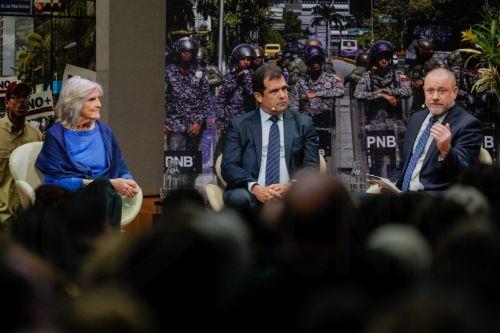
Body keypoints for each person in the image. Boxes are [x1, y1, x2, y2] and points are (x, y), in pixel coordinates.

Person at [35, 77, 139, 226]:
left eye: (98, 99)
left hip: (106, 197)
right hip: (71, 199)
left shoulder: (105, 131)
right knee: (103, 187)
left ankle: (100, 243)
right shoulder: (56, 135)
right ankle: (104, 243)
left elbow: (122, 169)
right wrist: (106, 184)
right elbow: (53, 182)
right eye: (92, 99)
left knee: (108, 193)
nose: (99, 104)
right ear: (74, 104)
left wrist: (129, 182)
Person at [222, 64, 319, 209]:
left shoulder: (303, 123)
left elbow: (311, 166)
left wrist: (291, 185)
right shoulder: (239, 125)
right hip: (251, 194)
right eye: (274, 91)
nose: (283, 95)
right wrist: (254, 187)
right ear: (258, 96)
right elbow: (229, 166)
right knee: (237, 198)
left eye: (284, 89)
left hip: (291, 194)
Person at [379, 68, 482, 192]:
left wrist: (446, 151)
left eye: (442, 91)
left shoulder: (467, 124)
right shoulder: (416, 118)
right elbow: (404, 164)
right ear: (424, 91)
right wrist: (390, 184)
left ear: (454, 92)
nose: (435, 97)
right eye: (430, 90)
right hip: (402, 196)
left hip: (432, 202)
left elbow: (466, 175)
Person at [354, 40, 412, 177]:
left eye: (387, 58)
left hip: (395, 126)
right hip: (375, 127)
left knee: (396, 161)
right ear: (375, 59)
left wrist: (386, 91)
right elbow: (358, 94)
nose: (384, 61)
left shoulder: (398, 76)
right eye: (381, 58)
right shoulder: (367, 77)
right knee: (375, 164)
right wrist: (381, 96)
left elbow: (407, 91)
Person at [165, 37, 210, 187]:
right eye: (184, 51)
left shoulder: (200, 73)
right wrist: (163, 122)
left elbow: (206, 101)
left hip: (194, 128)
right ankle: (174, 196)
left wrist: (198, 122)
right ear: (178, 52)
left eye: (190, 52)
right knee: (174, 164)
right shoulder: (169, 73)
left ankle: (189, 193)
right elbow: (161, 98)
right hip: (175, 126)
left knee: (191, 165)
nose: (187, 54)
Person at [0, 82, 43, 224]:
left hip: (28, 219)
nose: (22, 101)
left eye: (25, 97)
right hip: (3, 218)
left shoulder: (36, 135)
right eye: (17, 97)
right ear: (7, 102)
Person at [291, 45, 344, 129]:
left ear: (322, 62)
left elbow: (341, 92)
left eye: (318, 60)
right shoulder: (301, 83)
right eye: (312, 61)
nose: (316, 63)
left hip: (326, 127)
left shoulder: (331, 79)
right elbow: (294, 106)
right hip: (307, 127)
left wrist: (317, 94)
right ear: (308, 63)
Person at [216, 43, 256, 131]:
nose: (246, 62)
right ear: (237, 60)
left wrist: (247, 77)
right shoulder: (229, 77)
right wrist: (220, 120)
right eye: (243, 59)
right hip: (231, 119)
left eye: (248, 59)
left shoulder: (254, 77)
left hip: (248, 119)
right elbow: (222, 100)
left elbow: (251, 93)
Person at [407, 38, 447, 114]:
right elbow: (411, 70)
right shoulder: (417, 60)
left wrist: (423, 80)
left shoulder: (437, 61)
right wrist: (412, 80)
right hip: (419, 96)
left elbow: (444, 76)